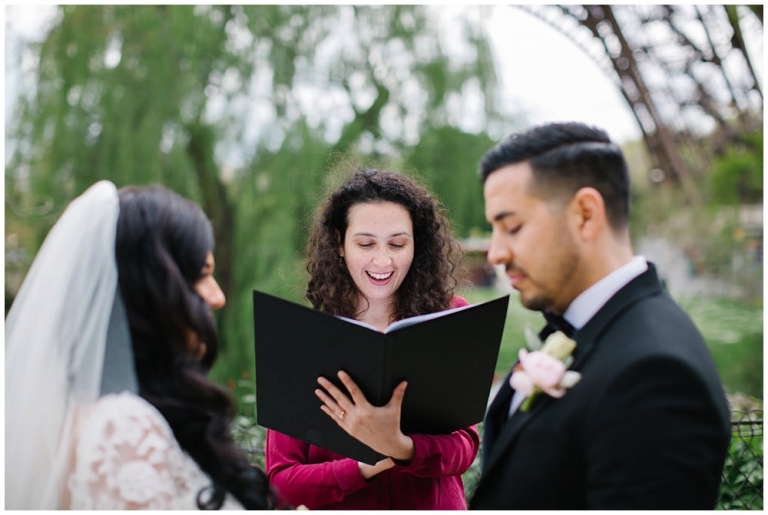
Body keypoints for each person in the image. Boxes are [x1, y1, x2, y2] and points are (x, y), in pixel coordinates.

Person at [469, 122, 731, 509]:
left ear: (586, 214)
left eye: (512, 227)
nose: (495, 253)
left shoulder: (656, 375)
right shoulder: (588, 327)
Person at [6, 181, 275, 509]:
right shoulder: (120, 428)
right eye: (202, 275)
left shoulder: (87, 417)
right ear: (153, 289)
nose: (217, 297)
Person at [265, 168, 479, 509]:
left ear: (417, 244)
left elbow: (464, 448)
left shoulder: (451, 317)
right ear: (339, 243)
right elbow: (281, 482)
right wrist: (366, 464)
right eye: (365, 243)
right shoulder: (300, 338)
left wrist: (401, 446)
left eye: (398, 243)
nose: (383, 260)